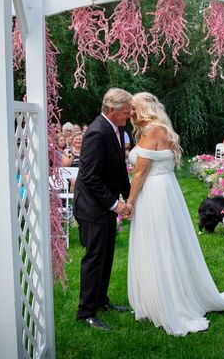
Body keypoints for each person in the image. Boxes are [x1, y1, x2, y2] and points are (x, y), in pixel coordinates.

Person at [126, 92, 224, 336]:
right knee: (162, 242)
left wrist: (130, 201)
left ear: (144, 109)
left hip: (154, 192)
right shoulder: (157, 129)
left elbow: (140, 173)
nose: (130, 112)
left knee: (160, 243)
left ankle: (168, 297)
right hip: (163, 191)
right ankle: (163, 292)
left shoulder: (151, 131)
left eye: (133, 108)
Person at [74, 88, 133, 331]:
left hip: (105, 207)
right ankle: (85, 312)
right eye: (126, 113)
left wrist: (130, 198)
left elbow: (119, 170)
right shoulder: (96, 133)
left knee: (107, 255)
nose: (128, 117)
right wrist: (115, 204)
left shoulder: (116, 130)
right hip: (92, 207)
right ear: (111, 110)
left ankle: (101, 300)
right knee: (94, 258)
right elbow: (89, 177)